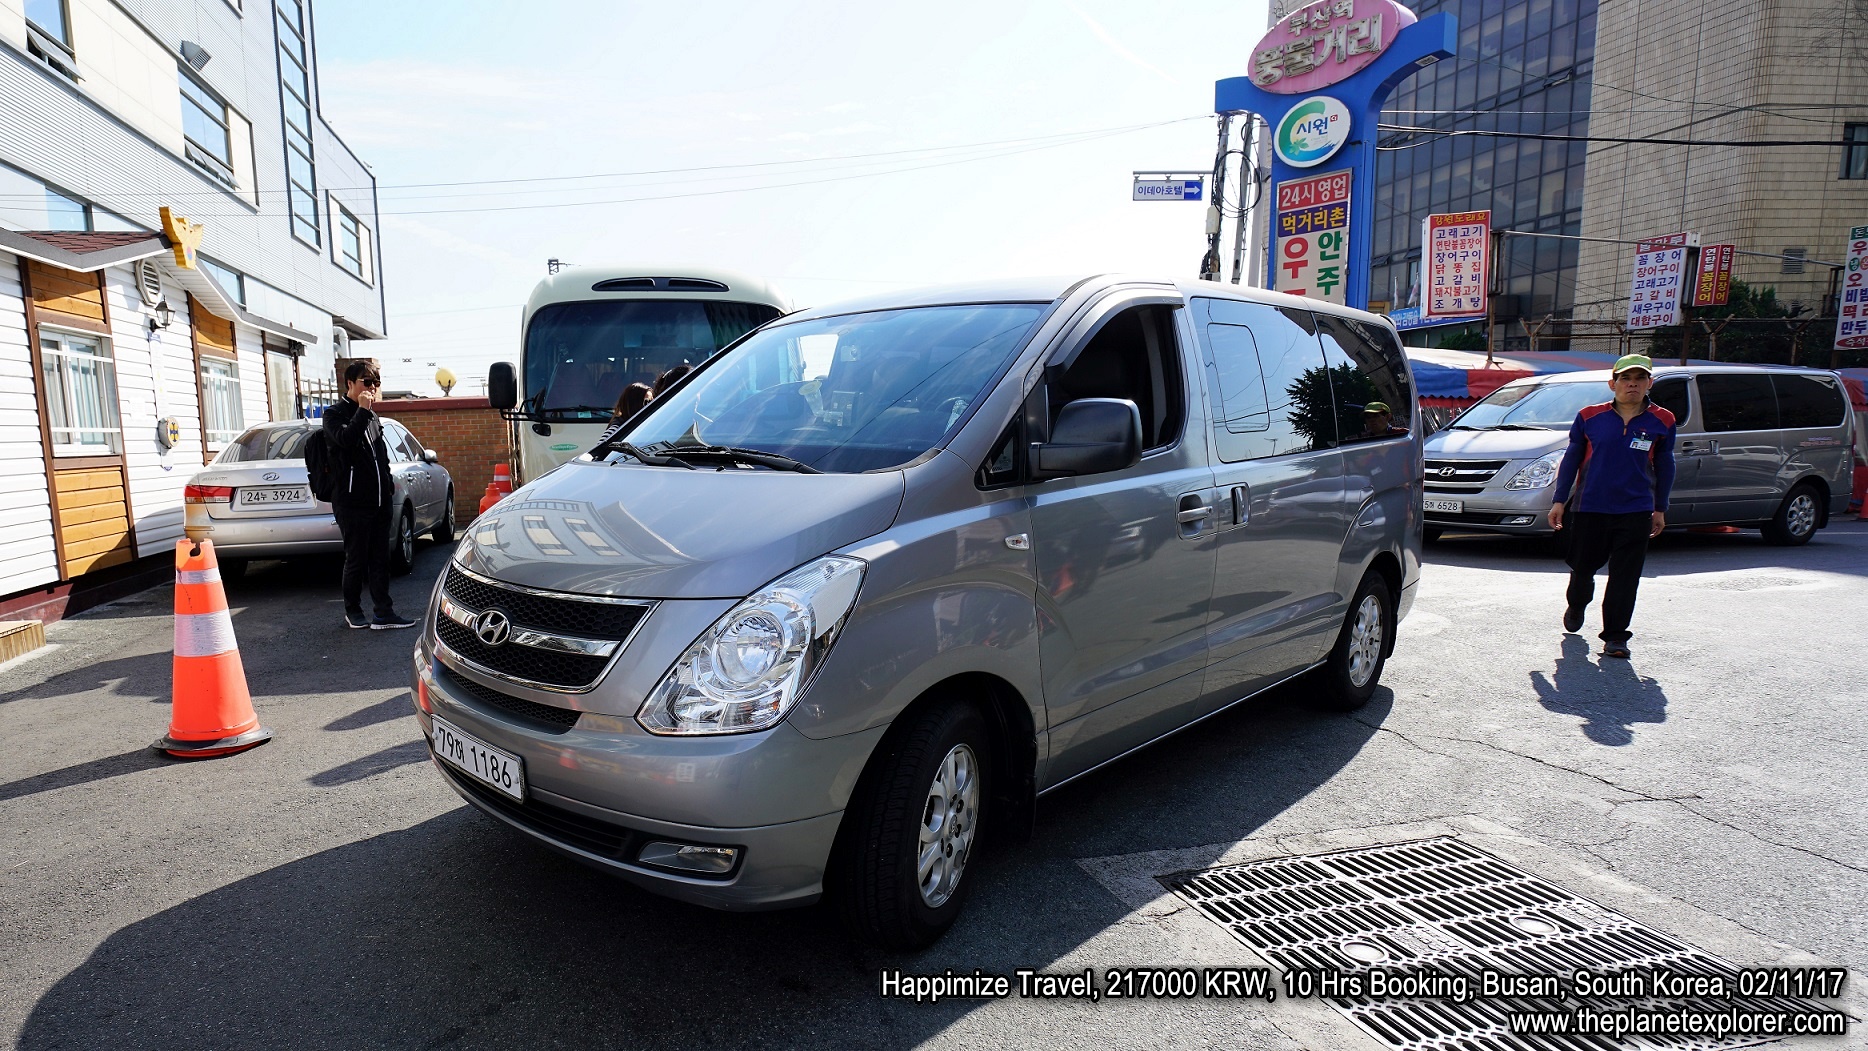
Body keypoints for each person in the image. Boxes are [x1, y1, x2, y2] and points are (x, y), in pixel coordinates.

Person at [1546, 354, 1676, 659]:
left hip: (1636, 509)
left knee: (1626, 576)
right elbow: (1572, 460)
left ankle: (1616, 637)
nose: (1632, 385)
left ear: (1649, 383)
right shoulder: (1590, 416)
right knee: (1582, 568)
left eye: (1640, 379)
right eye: (1626, 379)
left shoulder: (1663, 420)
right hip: (1591, 506)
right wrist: (1559, 500)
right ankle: (1577, 604)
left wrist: (1660, 508)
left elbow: (1666, 464)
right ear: (1612, 383)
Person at [322, 362, 415, 630]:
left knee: (380, 558)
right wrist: (362, 410)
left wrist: (387, 486)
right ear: (350, 383)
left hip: (378, 501)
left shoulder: (373, 418)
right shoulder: (334, 415)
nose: (372, 388)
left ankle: (383, 613)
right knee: (356, 558)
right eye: (366, 382)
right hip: (351, 502)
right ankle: (353, 610)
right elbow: (346, 440)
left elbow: (380, 456)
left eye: (376, 383)